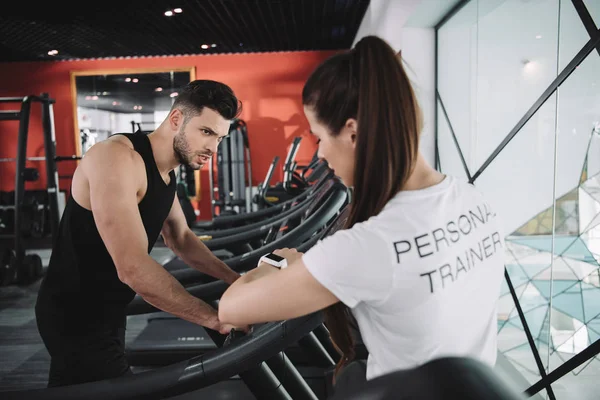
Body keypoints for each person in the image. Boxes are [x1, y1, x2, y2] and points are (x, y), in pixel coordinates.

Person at [218, 35, 506, 396]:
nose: (320, 153)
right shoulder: (474, 199)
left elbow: (230, 309)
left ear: (352, 132)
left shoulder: (369, 245)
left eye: (319, 137)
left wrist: (277, 263)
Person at [35, 79, 245, 387]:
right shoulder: (117, 159)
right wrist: (213, 319)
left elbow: (181, 239)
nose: (213, 147)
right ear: (176, 119)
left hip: (108, 308)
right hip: (76, 314)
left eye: (220, 138)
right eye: (206, 132)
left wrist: (235, 280)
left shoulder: (166, 170)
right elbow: (132, 266)